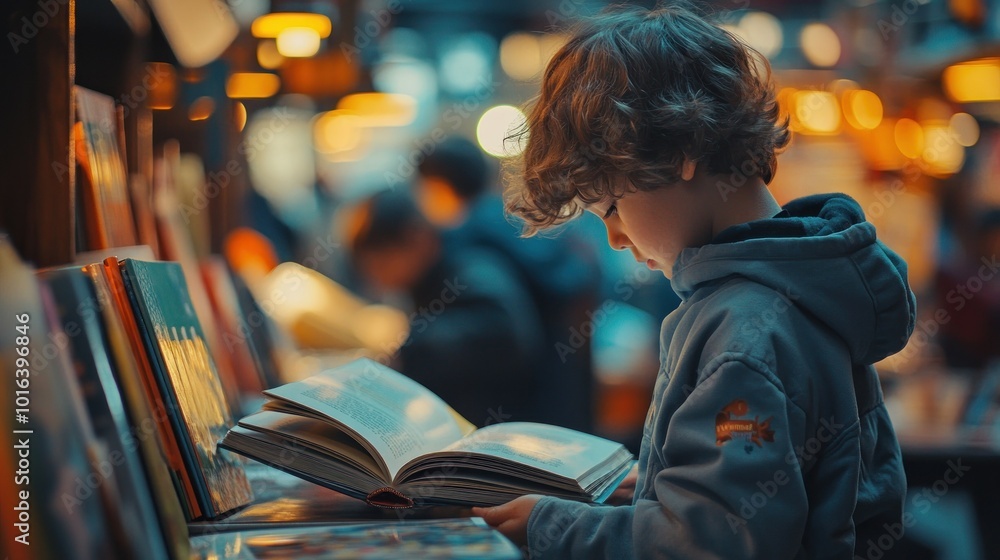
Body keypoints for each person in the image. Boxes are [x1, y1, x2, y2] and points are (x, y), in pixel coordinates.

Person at [472, 4, 916, 558]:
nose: (613, 238)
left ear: (680, 153)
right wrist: (662, 487)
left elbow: (713, 542)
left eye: (609, 207)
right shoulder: (798, 287)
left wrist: (550, 526)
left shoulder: (746, 332)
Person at [415, 136, 601, 432]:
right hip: (566, 392)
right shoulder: (509, 222)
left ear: (436, 187)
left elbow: (497, 330)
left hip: (526, 410)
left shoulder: (469, 241)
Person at [346, 189, 544, 426]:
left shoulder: (471, 266)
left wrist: (412, 347)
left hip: (509, 429)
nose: (376, 276)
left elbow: (505, 333)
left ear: (416, 237)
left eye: (379, 262)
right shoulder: (430, 278)